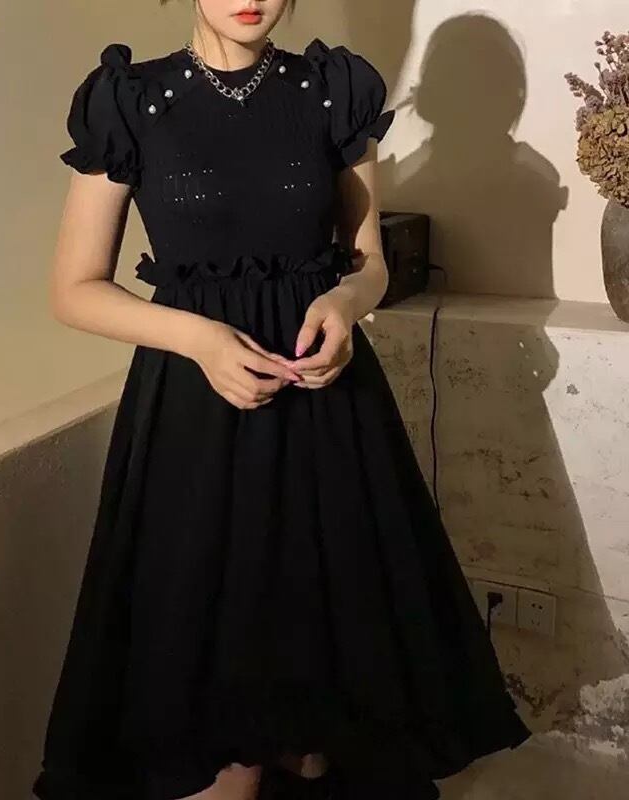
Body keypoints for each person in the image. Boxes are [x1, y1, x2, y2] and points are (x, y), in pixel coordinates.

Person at [32, 2, 533, 799]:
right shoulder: (129, 101)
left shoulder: (333, 92)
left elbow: (369, 261)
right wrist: (199, 339)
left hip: (326, 411)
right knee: (214, 714)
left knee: (324, 709)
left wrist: (345, 304)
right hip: (197, 417)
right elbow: (74, 289)